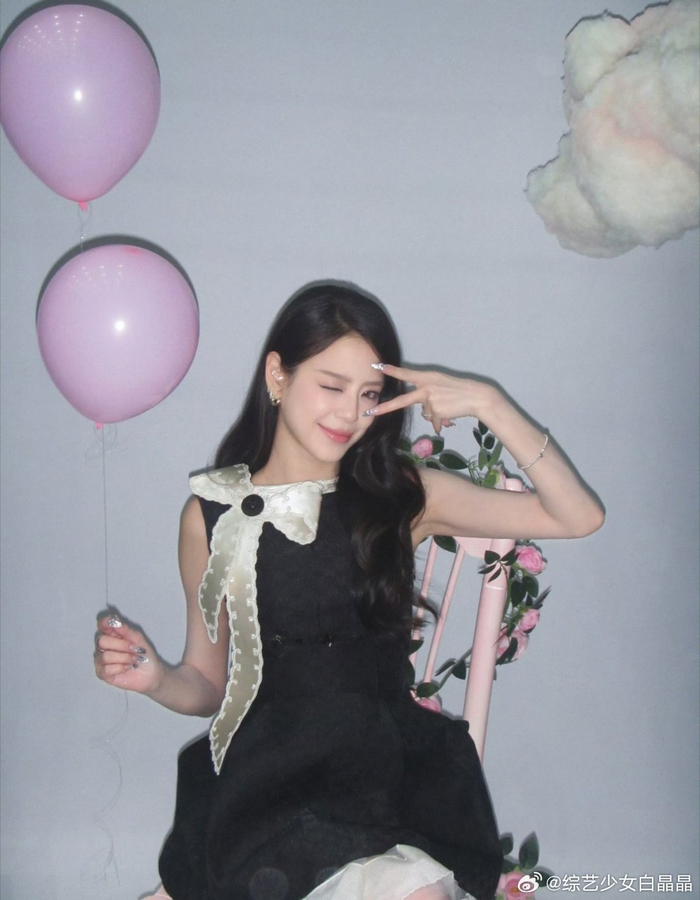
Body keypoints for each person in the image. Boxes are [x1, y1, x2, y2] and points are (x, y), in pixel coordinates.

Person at [94, 282, 604, 900]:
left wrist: (488, 402)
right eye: (331, 387)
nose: (349, 414)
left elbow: (578, 516)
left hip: (383, 779)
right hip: (269, 791)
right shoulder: (213, 516)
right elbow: (207, 684)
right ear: (277, 375)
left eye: (368, 395)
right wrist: (155, 678)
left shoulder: (403, 497)